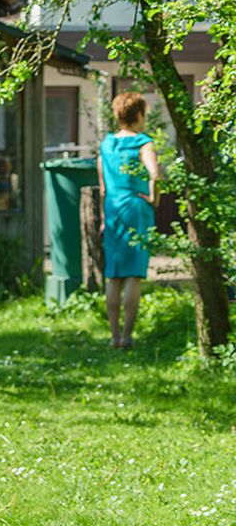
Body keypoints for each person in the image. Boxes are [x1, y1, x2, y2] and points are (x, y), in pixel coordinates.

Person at [98, 91, 160, 350]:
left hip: (113, 209)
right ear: (139, 115)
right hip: (136, 207)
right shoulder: (143, 143)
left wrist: (104, 217)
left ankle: (113, 336)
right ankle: (127, 336)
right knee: (134, 273)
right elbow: (154, 173)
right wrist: (153, 198)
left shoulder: (106, 145)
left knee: (113, 275)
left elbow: (103, 187)